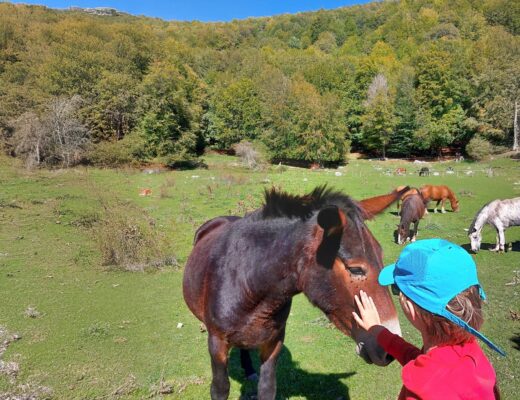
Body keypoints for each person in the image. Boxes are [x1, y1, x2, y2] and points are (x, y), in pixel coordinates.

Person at [352, 238, 504, 399]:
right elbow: (421, 360)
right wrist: (379, 331)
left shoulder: (420, 392)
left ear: (410, 308)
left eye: (396, 289)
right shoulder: (466, 354)